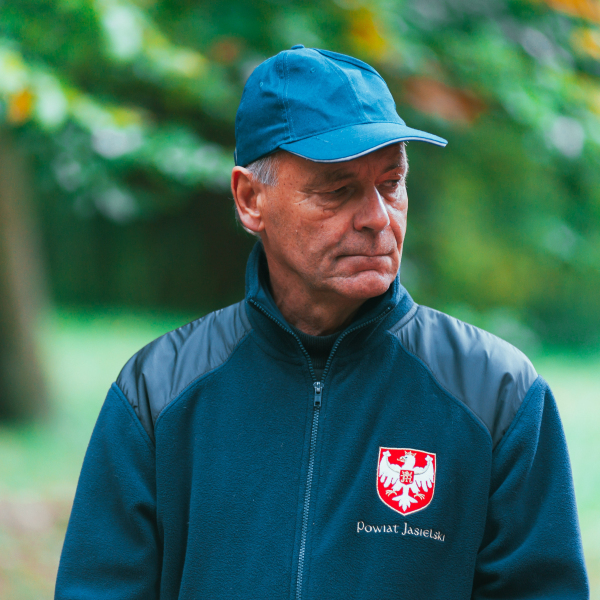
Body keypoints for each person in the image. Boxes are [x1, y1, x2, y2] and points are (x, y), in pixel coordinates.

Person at [55, 46, 588, 600]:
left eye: (391, 183)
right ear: (250, 199)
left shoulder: (497, 394)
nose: (377, 218)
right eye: (338, 190)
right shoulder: (156, 394)